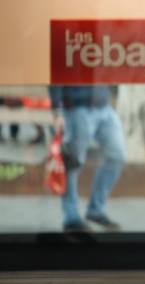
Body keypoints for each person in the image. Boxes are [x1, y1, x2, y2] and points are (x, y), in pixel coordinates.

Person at [49, 84, 126, 233]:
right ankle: (71, 217)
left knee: (117, 156)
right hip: (76, 109)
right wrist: (57, 111)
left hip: (105, 106)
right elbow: (55, 76)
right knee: (73, 162)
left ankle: (96, 210)